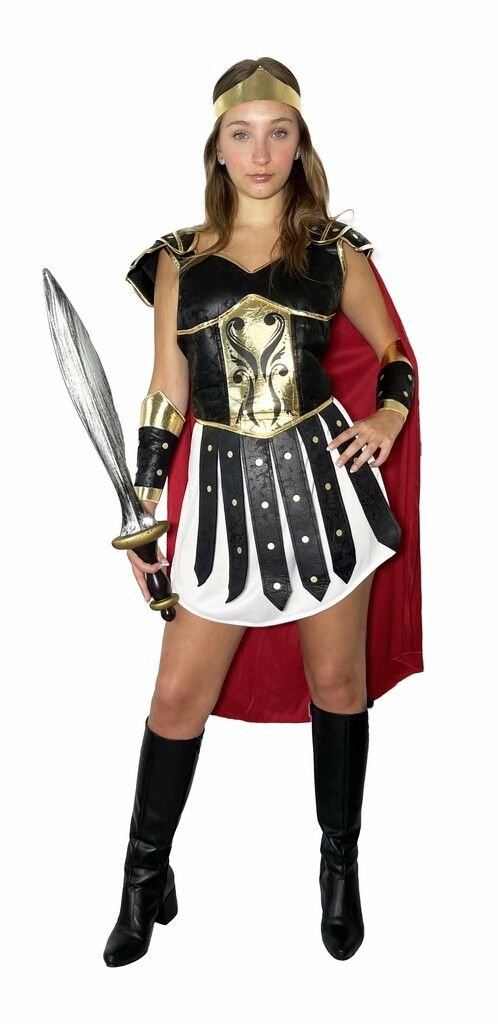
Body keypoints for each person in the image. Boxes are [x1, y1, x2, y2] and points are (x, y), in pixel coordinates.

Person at [103, 56, 423, 968]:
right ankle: (143, 878)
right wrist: (143, 508)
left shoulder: (335, 251)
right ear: (217, 146)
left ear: (299, 143)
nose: (260, 152)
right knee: (177, 697)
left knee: (339, 687)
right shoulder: (177, 259)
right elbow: (167, 393)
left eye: (278, 133)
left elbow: (393, 354)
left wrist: (389, 416)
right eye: (242, 134)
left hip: (326, 491)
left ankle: (339, 870)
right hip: (219, 499)